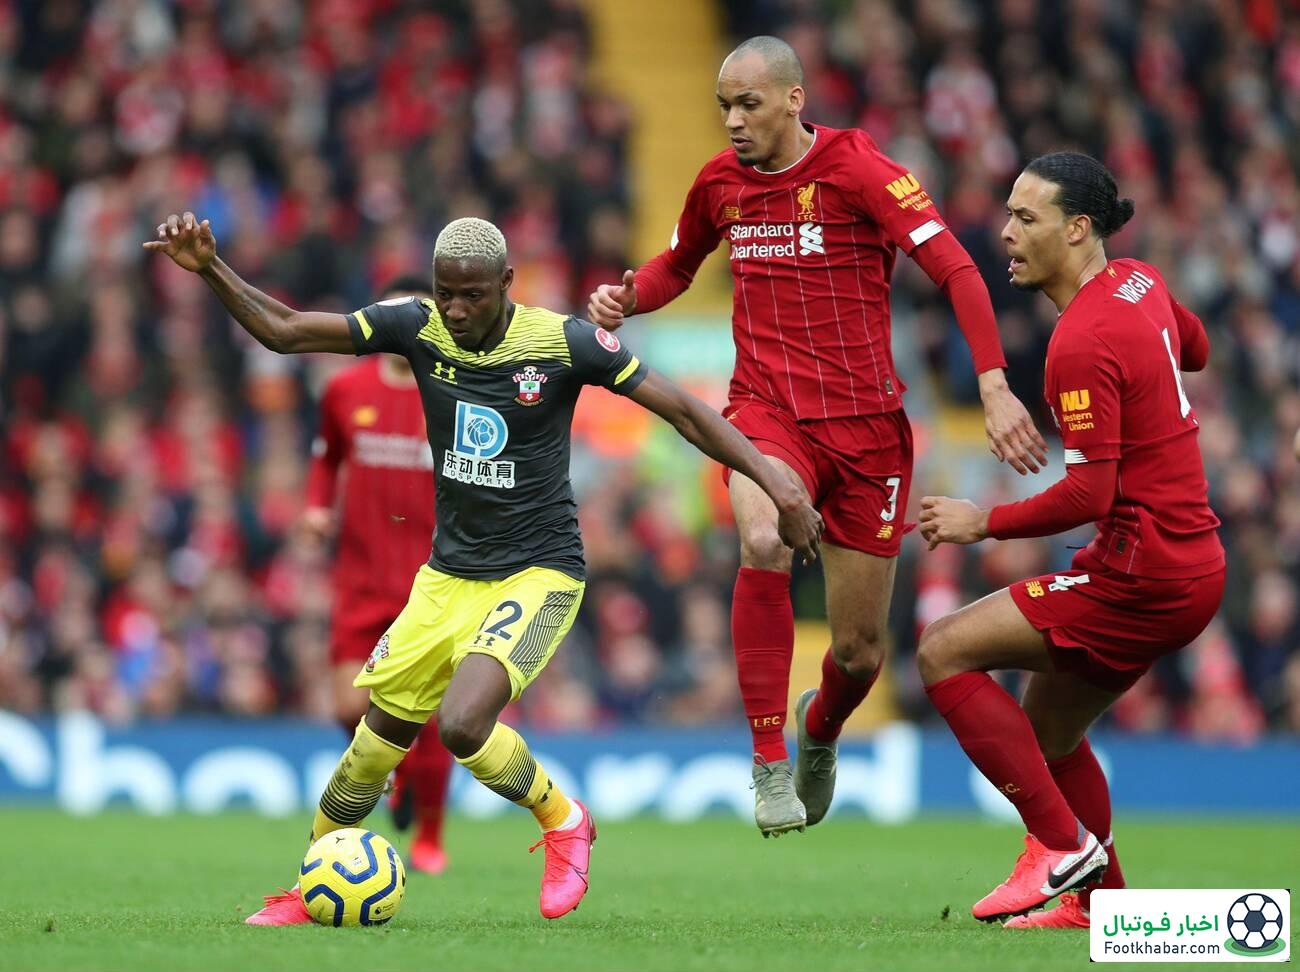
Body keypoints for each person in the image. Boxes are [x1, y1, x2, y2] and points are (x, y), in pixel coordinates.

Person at [144, 213, 822, 924]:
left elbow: (684, 410)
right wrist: (211, 268)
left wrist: (777, 485)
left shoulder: (563, 343)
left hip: (539, 572)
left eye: (472, 295)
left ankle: (565, 822)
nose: (457, 311)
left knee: (464, 723)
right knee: (372, 748)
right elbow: (284, 330)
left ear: (507, 284)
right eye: (446, 294)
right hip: (446, 578)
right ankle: (311, 889)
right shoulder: (416, 326)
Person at [587, 35, 1045, 836]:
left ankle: (819, 728)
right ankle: (767, 766)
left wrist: (994, 383)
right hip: (767, 413)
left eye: (748, 104)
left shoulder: (861, 169)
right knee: (761, 534)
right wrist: (631, 296)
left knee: (861, 655)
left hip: (868, 434)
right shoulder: (717, 184)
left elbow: (959, 271)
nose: (732, 120)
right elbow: (676, 266)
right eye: (723, 106)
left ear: (794, 100)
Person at [917, 152, 1225, 927]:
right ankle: (1100, 907)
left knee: (943, 650)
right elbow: (1196, 350)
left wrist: (981, 519)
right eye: (1009, 214)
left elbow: (1094, 492)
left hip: (1142, 571)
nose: (1006, 233)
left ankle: (1059, 846)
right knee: (1049, 727)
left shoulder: (1079, 342)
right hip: (1189, 562)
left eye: (1027, 219)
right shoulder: (1142, 282)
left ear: (1078, 229)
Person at [302, 274, 454, 875]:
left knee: (439, 715)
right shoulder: (343, 389)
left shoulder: (447, 391)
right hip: (360, 579)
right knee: (347, 704)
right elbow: (327, 459)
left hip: (432, 581)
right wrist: (317, 507)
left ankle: (431, 839)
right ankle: (401, 773)